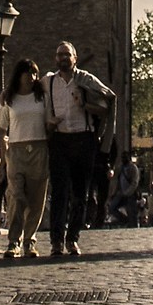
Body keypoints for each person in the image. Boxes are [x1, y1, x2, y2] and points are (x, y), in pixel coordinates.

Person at [43, 40, 116, 259]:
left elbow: (107, 104)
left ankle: (72, 238)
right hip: (60, 140)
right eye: (60, 55)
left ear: (75, 58)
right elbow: (26, 89)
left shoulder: (86, 80)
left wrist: (85, 104)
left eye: (68, 54)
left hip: (84, 140)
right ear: (56, 59)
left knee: (80, 194)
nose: (63, 58)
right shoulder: (48, 81)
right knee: (59, 193)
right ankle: (56, 241)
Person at [0, 59, 50, 260]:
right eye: (28, 73)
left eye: (35, 74)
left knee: (36, 199)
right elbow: (1, 128)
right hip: (16, 150)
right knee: (16, 196)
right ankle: (13, 241)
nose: (32, 78)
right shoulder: (10, 99)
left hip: (39, 148)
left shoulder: (43, 97)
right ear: (19, 75)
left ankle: (29, 241)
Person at [105, 149, 146, 226]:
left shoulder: (133, 168)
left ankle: (132, 226)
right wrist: (115, 192)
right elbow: (117, 180)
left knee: (132, 214)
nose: (124, 159)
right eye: (122, 157)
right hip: (120, 193)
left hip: (131, 195)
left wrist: (128, 192)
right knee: (112, 208)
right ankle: (124, 220)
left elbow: (135, 182)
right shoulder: (121, 168)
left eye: (125, 157)